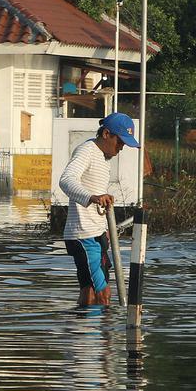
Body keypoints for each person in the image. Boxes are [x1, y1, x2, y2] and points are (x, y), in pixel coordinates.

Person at [58, 112, 140, 306]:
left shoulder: (103, 158)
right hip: (83, 235)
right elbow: (66, 180)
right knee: (104, 295)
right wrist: (92, 197)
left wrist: (105, 229)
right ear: (106, 134)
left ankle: (84, 334)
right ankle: (106, 335)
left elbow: (97, 190)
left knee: (90, 292)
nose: (121, 147)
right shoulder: (87, 150)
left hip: (96, 232)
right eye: (119, 142)